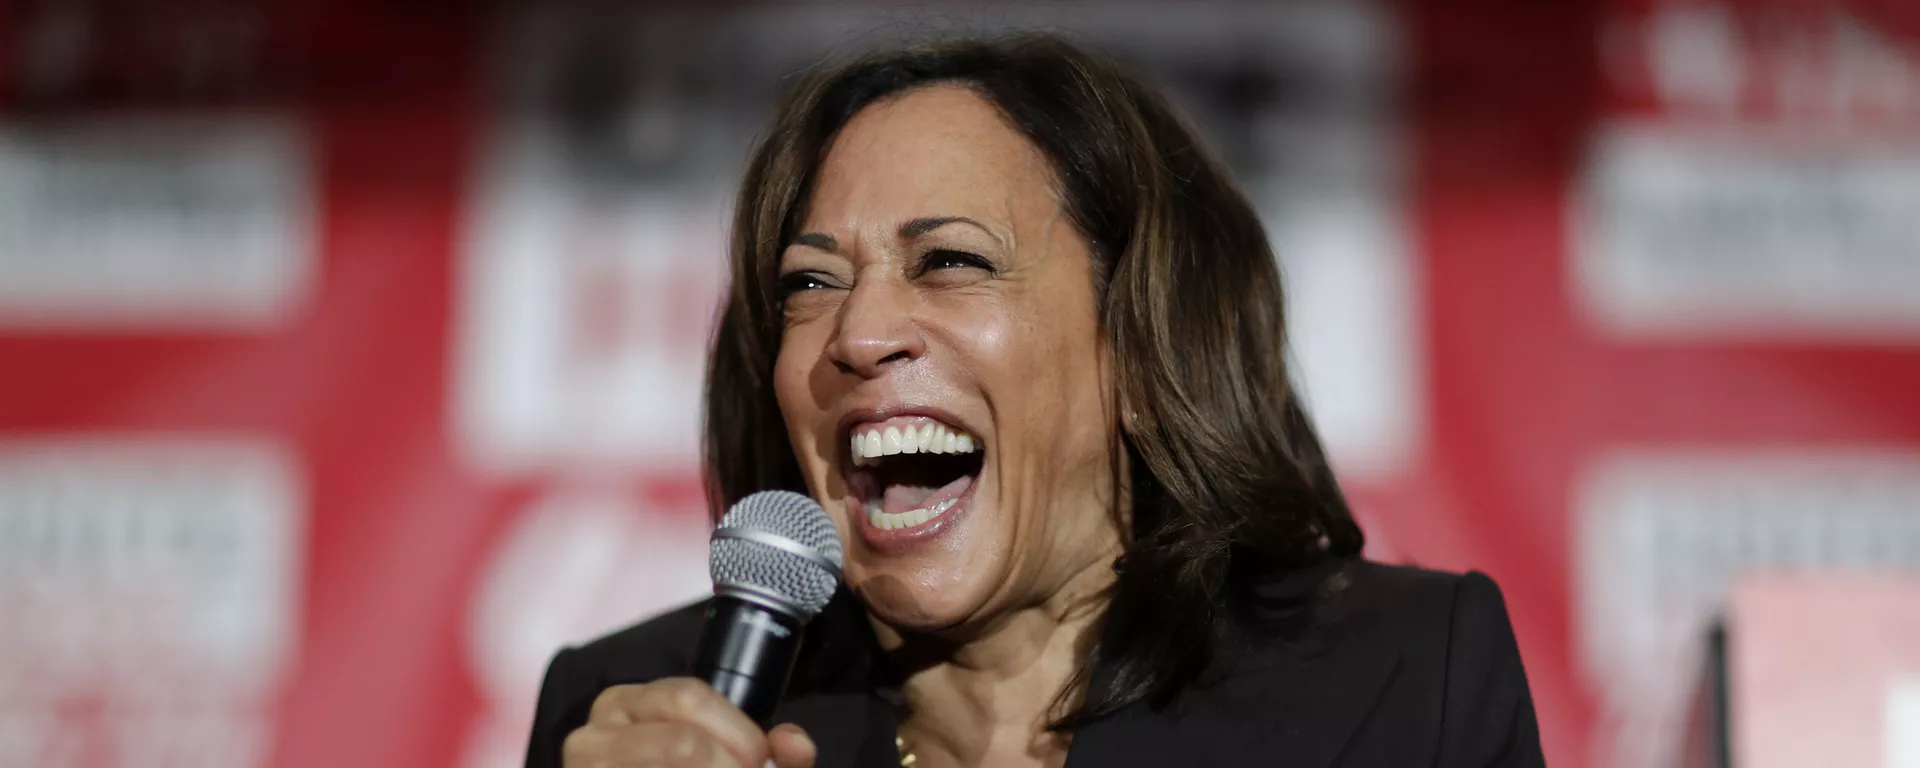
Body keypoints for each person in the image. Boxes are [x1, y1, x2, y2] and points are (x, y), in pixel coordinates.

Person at [526, 34, 1544, 768]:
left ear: (1144, 351)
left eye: (952, 260)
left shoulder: (1401, 685)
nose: (858, 334)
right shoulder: (629, 716)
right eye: (810, 282)